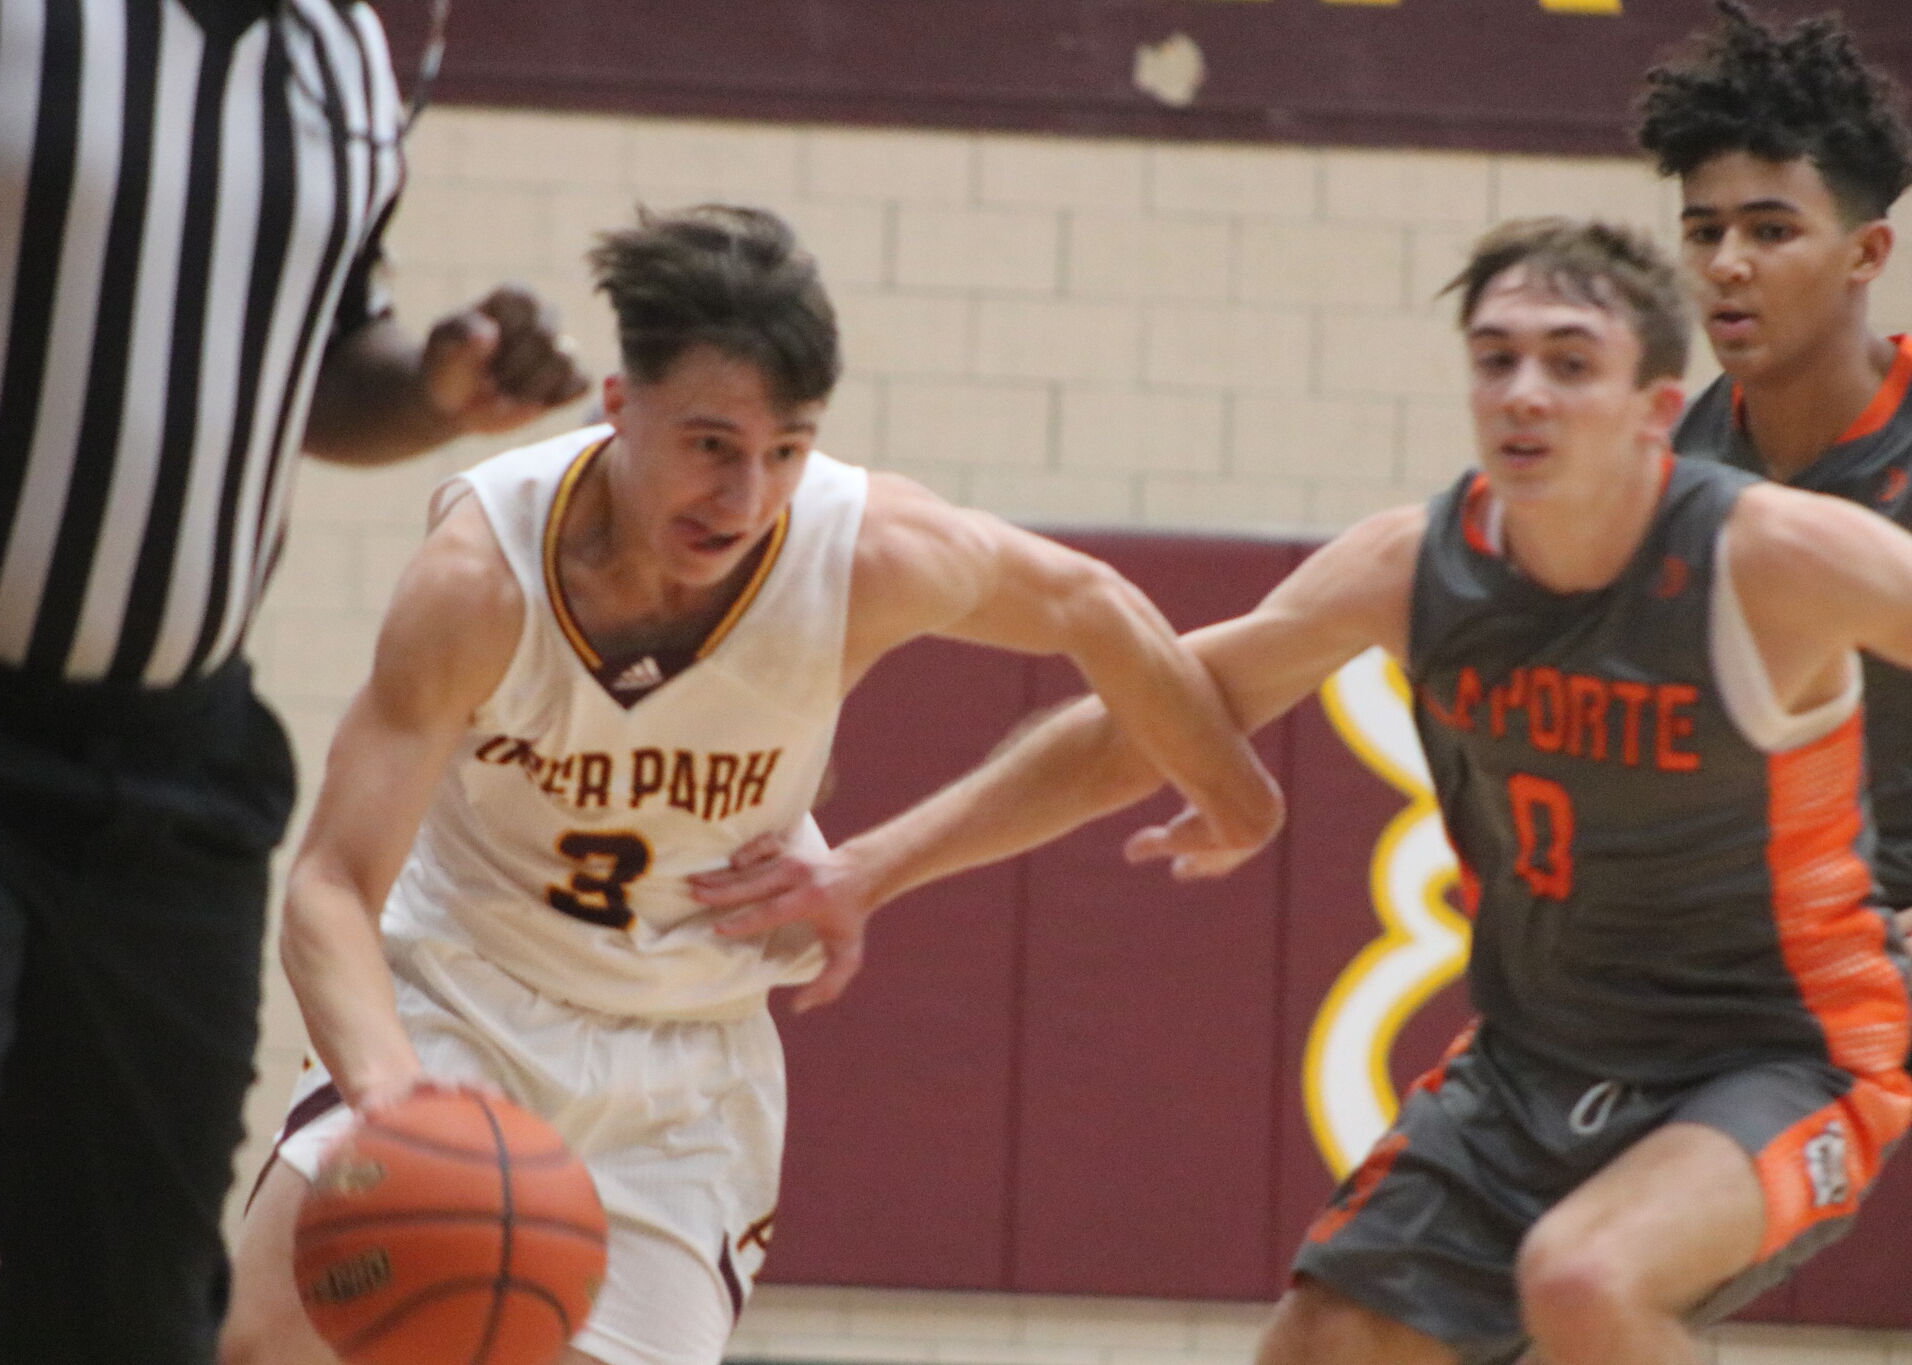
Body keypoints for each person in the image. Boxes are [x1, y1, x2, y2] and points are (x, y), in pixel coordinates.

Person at [694, 218, 1912, 1365]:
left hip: (1779, 1057)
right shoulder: (1411, 567)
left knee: (1585, 1280)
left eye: (1567, 362)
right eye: (1495, 359)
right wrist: (868, 867)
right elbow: (1149, 725)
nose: (1522, 393)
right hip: (1535, 1059)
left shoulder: (1776, 557)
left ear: (1657, 409)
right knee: (1320, 1348)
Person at [216, 202, 1282, 1365]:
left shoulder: (866, 553)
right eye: (712, 445)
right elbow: (328, 887)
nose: (745, 497)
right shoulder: (481, 576)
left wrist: (1236, 797)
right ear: (619, 407)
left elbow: (1093, 608)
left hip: (681, 1064)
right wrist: (394, 1101)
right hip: (457, 996)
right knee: (275, 1343)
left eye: (786, 450)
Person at [0, 3, 586, 1362]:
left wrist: (436, 385)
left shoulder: (346, 56)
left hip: (171, 777)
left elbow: (321, 360)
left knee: (133, 1304)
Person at [1639, 0, 1912, 945]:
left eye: (1769, 231)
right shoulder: (1663, 465)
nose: (1727, 265)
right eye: (1704, 232)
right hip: (1740, 964)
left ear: (1866, 252)